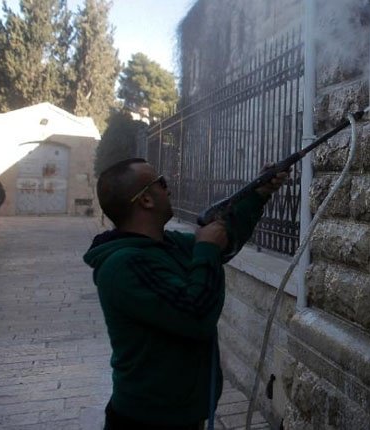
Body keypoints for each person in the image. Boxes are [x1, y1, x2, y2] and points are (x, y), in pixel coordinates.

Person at [83, 158, 288, 430]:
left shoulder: (167, 245)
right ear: (145, 200)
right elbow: (195, 316)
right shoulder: (122, 266)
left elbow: (222, 241)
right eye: (162, 183)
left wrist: (258, 194)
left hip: (183, 415)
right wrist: (206, 250)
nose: (168, 189)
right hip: (149, 420)